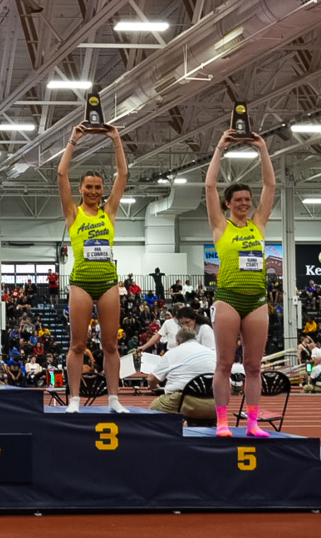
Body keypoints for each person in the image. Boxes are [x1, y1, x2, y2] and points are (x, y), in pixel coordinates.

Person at [203, 128, 276, 438]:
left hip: (257, 300)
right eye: (240, 200)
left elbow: (270, 185)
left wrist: (262, 149)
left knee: (254, 366)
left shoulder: (259, 224)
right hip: (228, 298)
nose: (246, 203)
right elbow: (209, 185)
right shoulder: (221, 227)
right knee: (223, 363)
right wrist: (220, 145)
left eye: (248, 199)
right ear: (228, 204)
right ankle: (221, 422)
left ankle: (252, 423)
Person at [56, 121, 129, 414]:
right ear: (81, 188)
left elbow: (123, 174)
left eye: (98, 187)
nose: (94, 191)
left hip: (109, 282)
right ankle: (74, 399)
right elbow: (61, 174)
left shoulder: (109, 211)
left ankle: (114, 399)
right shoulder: (73, 213)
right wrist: (73, 139)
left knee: (110, 344)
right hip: (81, 283)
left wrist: (116, 139)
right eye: (89, 187)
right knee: (77, 344)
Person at [147, 327, 216, 416]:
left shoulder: (172, 353)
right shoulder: (211, 353)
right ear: (195, 338)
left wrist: (153, 386)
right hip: (212, 402)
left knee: (154, 407)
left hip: (183, 400)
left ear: (178, 342)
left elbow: (152, 379)